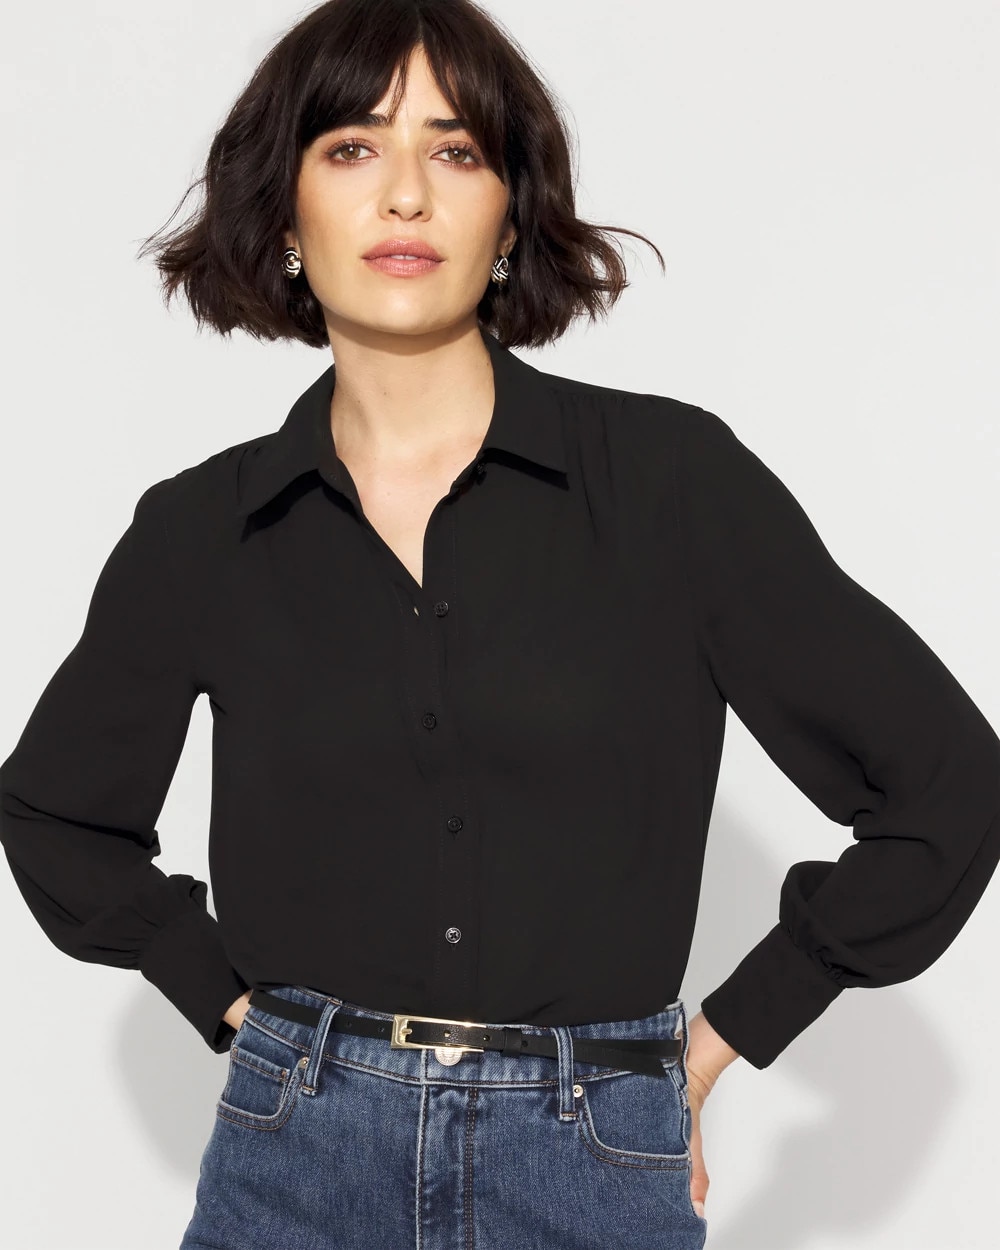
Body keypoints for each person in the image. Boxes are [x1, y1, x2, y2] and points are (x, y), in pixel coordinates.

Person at [1, 1, 998, 1247]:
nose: (405, 193)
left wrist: (705, 1049)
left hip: (591, 1155)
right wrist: (230, 1005)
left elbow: (946, 784)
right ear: (285, 215)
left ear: (512, 216)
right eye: (352, 147)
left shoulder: (670, 485)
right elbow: (56, 812)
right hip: (294, 1163)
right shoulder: (204, 529)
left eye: (456, 150)